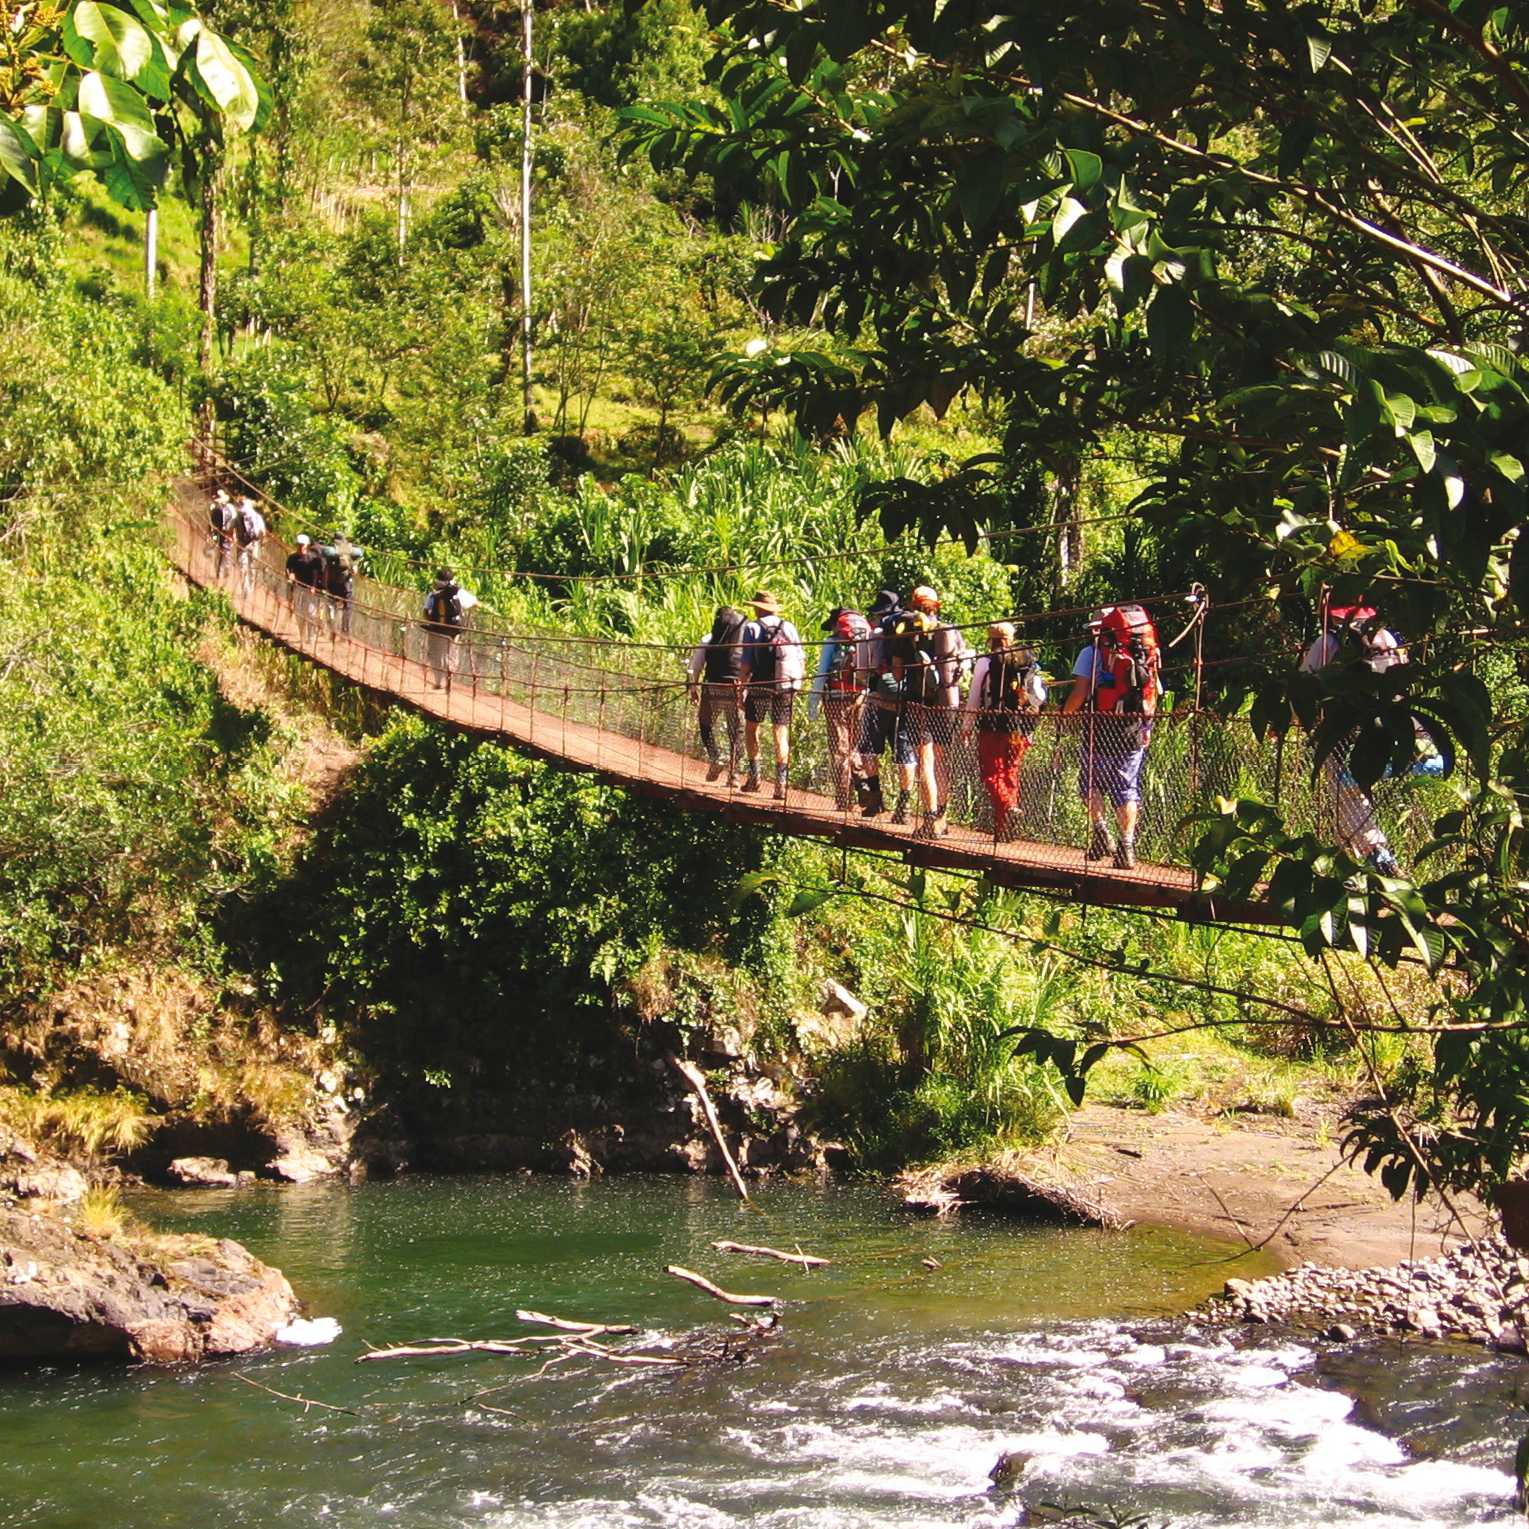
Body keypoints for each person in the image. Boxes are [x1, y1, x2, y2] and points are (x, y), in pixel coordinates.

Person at [1300, 602, 1417, 875]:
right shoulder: (1386, 638)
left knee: (1346, 797)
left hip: (1343, 731)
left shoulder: (1328, 642)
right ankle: (1351, 870)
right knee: (1349, 800)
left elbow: (1304, 684)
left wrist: (1298, 719)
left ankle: (1379, 858)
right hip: (1391, 725)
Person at [1060, 604, 1160, 870]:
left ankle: (1101, 831)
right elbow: (1153, 692)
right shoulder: (1144, 651)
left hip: (1099, 727)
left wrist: (1064, 714)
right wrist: (1147, 727)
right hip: (1132, 727)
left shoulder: (1090, 653)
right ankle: (1126, 847)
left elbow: (1080, 693)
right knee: (1127, 789)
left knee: (1090, 783)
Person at [887, 585, 962, 838]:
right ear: (935, 606)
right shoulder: (949, 630)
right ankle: (942, 818)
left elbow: (898, 674)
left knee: (926, 763)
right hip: (947, 703)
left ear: (914, 604)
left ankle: (929, 820)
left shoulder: (906, 631)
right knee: (941, 762)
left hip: (920, 703)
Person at [963, 622, 1047, 840]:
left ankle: (1008, 808)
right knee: (1010, 773)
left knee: (991, 774)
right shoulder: (1027, 661)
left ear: (990, 640)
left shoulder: (985, 662)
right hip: (1019, 727)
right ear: (1011, 639)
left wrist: (967, 725)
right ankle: (1005, 829)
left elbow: (975, 695)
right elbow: (1039, 696)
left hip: (993, 725)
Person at [738, 590, 804, 800]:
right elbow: (800, 657)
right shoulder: (789, 627)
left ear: (758, 608)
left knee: (751, 728)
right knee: (780, 732)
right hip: (785, 685)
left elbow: (746, 663)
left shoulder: (752, 628)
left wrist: (740, 688)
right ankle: (781, 784)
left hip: (760, 684)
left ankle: (755, 777)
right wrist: (797, 683)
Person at [808, 607, 872, 809]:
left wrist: (813, 701)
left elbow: (821, 673)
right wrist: (865, 692)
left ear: (836, 624)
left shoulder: (832, 642)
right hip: (860, 697)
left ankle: (844, 798)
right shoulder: (865, 639)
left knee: (839, 748)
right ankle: (863, 783)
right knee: (854, 746)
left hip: (836, 698)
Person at [686, 605, 747, 784]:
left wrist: (693, 689)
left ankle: (715, 757)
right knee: (736, 731)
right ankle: (733, 775)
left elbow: (695, 666)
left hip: (711, 687)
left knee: (705, 724)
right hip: (734, 688)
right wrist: (745, 688)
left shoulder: (708, 639)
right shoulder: (743, 642)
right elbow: (748, 666)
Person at [423, 568, 467, 689]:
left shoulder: (433, 595)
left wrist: (432, 621)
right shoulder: (459, 593)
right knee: (452, 652)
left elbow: (425, 612)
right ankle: (450, 677)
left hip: (438, 629)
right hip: (455, 629)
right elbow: (472, 604)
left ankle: (438, 682)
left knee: (436, 654)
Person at [285, 533, 326, 640]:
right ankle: (302, 635)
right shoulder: (292, 558)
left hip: (310, 590)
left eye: (302, 545)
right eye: (298, 545)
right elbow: (288, 570)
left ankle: (310, 636)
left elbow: (316, 574)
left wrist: (314, 587)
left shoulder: (313, 559)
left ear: (307, 545)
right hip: (298, 588)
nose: (300, 547)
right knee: (299, 613)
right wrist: (290, 575)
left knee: (311, 613)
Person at [232, 495, 266, 597]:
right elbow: (263, 532)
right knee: (252, 567)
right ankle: (251, 587)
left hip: (242, 544)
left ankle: (245, 589)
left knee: (243, 567)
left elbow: (230, 528)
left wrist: (234, 537)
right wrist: (262, 543)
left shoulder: (238, 516)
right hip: (254, 544)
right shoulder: (257, 516)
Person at [207, 489, 235, 582]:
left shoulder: (217, 509)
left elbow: (213, 522)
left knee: (223, 550)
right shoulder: (227, 509)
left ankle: (222, 570)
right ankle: (223, 569)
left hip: (222, 532)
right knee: (224, 550)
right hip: (223, 532)